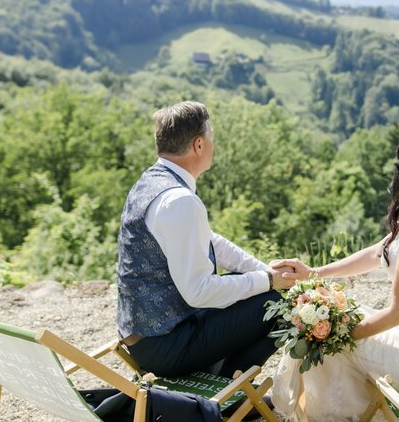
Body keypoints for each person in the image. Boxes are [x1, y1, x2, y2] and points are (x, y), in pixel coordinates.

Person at [270, 123, 399, 421]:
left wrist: (342, 335)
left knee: (327, 336)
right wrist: (314, 273)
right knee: (341, 316)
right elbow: (374, 254)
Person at [116, 101, 299, 381]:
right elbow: (198, 292)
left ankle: (225, 381)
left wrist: (265, 271)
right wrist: (272, 283)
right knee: (281, 302)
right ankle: (228, 392)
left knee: (254, 284)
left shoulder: (152, 182)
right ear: (199, 145)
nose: (214, 144)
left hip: (150, 335)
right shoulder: (180, 201)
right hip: (165, 346)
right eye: (211, 137)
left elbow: (212, 243)